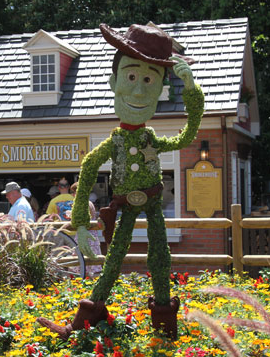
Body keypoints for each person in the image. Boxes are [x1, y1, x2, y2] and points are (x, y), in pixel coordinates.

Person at [37, 23, 203, 340]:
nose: (139, 90)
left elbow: (187, 136)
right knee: (114, 259)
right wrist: (81, 223)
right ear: (114, 82)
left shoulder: (151, 138)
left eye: (148, 80)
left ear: (160, 88)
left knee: (160, 255)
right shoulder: (114, 143)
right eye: (131, 77)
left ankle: (165, 325)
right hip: (125, 205)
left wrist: (191, 86)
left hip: (152, 201)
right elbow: (87, 170)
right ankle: (85, 320)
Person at [71, 182, 102, 276]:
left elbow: (82, 220)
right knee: (91, 260)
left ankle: (84, 280)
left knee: (82, 259)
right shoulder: (89, 203)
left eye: (74, 192)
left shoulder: (83, 204)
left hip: (85, 233)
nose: (73, 195)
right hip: (91, 233)